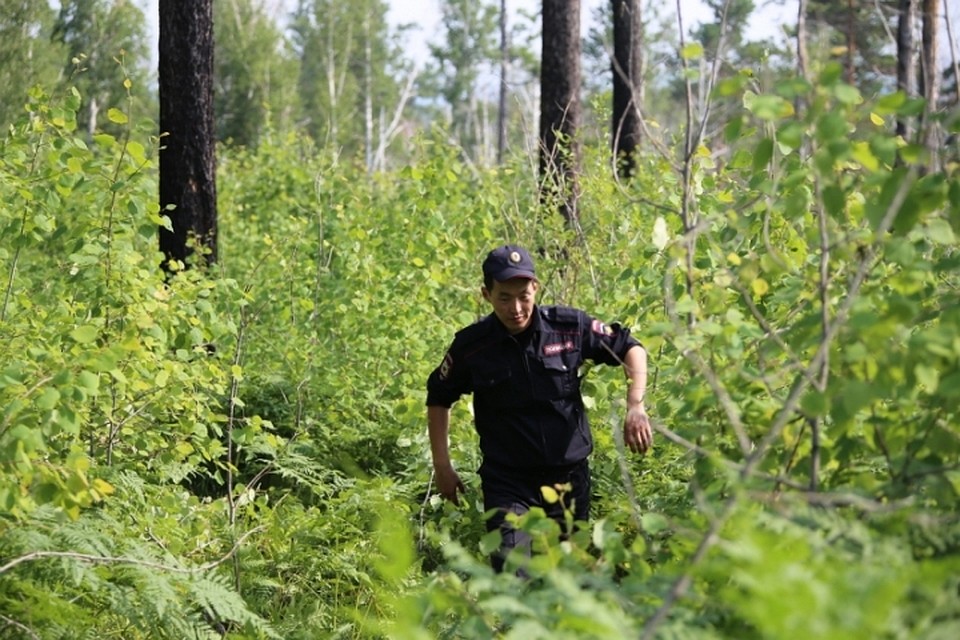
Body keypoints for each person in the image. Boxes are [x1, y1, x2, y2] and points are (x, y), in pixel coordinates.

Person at [426, 244, 652, 573]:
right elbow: (438, 395)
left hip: (569, 481)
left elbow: (631, 348)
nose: (516, 307)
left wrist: (636, 404)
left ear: (535, 288)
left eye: (523, 295)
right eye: (504, 297)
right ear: (486, 295)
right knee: (512, 576)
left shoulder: (568, 327)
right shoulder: (472, 347)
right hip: (508, 483)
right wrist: (442, 465)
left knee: (571, 579)